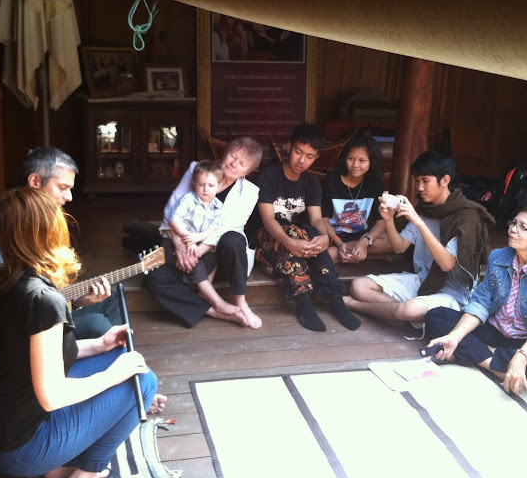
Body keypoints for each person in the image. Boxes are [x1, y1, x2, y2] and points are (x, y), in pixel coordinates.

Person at [0, 187, 158, 478]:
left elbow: (34, 357)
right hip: (21, 450)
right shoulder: (42, 299)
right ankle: (86, 473)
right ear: (48, 234)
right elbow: (52, 396)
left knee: (122, 358)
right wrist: (115, 374)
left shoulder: (6, 278)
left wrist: (99, 345)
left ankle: (57, 468)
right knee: (144, 379)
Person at [0, 148, 120, 347]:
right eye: (62, 187)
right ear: (35, 181)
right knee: (97, 325)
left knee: (111, 299)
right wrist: (1, 312)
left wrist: (79, 300)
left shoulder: (44, 224)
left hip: (41, 317)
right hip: (18, 334)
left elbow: (43, 296)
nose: (69, 197)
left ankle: (117, 354)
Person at [424, 205, 527, 394]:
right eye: (514, 223)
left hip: (526, 339)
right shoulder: (498, 257)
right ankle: (496, 366)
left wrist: (522, 356)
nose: (513, 229)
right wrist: (455, 337)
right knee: (436, 315)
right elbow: (480, 303)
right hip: (494, 331)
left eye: (523, 227)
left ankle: (476, 355)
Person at [345, 150, 495, 331]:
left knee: (409, 309)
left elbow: (447, 264)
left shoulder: (466, 216)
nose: (420, 187)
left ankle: (354, 305)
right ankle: (398, 313)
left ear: (445, 180)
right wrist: (388, 219)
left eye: (425, 181)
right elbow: (399, 247)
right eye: (417, 181)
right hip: (424, 281)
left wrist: (418, 222)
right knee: (359, 286)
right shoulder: (426, 209)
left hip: (453, 294)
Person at [145, 137, 265, 329]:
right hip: (182, 248)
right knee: (153, 276)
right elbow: (172, 210)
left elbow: (229, 226)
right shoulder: (198, 169)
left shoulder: (250, 191)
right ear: (224, 154)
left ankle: (241, 303)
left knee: (233, 238)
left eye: (242, 164)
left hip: (219, 257)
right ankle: (214, 310)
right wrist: (181, 246)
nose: (234, 164)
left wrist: (197, 251)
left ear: (247, 172)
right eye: (233, 157)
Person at [253, 123, 362, 332]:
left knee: (309, 234)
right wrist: (290, 242)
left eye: (309, 156)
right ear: (289, 147)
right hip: (266, 243)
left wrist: (324, 237)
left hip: (298, 245)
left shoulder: (312, 183)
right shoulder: (268, 175)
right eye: (298, 152)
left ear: (316, 157)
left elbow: (317, 219)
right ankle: (308, 302)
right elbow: (267, 220)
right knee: (295, 231)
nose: (302, 160)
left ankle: (332, 299)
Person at [164, 160, 238, 318]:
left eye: (211, 185)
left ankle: (203, 291)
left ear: (219, 187)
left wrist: (197, 238)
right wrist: (188, 239)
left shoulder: (218, 206)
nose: (206, 189)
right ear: (194, 184)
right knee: (194, 260)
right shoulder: (188, 200)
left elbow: (213, 229)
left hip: (196, 240)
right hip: (178, 239)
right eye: (201, 185)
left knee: (213, 255)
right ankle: (217, 301)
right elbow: (173, 220)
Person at [321, 134, 388, 264]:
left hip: (362, 237)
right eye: (351, 159)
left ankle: (349, 254)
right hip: (334, 238)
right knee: (328, 254)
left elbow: (382, 223)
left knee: (391, 241)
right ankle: (363, 256)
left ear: (372, 162)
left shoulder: (376, 185)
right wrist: (338, 243)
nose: (355, 165)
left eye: (362, 161)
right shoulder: (331, 182)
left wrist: (365, 241)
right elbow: (323, 221)